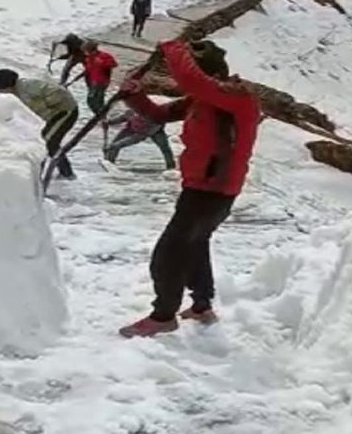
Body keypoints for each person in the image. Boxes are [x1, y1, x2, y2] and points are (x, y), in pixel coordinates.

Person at [116, 39, 261, 338]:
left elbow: (189, 78)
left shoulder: (237, 97)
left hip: (212, 190)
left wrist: (174, 47)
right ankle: (201, 306)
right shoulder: (204, 99)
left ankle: (163, 316)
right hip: (202, 186)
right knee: (195, 244)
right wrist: (135, 96)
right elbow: (160, 115)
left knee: (168, 255)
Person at [0, 69, 78, 180]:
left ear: (7, 85)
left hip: (66, 111)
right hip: (56, 115)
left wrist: (52, 106)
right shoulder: (19, 90)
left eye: (0, 89)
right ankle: (63, 171)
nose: (0, 92)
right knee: (48, 138)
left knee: (50, 140)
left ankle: (67, 173)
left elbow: (56, 92)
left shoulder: (27, 86)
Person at [103, 109, 175, 170]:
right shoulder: (133, 110)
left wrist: (117, 144)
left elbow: (138, 137)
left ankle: (171, 167)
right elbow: (123, 117)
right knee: (114, 145)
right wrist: (109, 122)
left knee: (165, 148)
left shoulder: (151, 118)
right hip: (132, 128)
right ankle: (109, 163)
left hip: (155, 131)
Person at [83, 40, 118, 114]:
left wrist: (102, 63)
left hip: (102, 82)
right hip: (92, 82)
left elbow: (114, 64)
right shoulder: (89, 58)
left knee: (97, 100)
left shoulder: (104, 56)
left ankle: (101, 116)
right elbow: (88, 70)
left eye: (86, 51)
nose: (86, 53)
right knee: (91, 101)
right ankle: (99, 115)